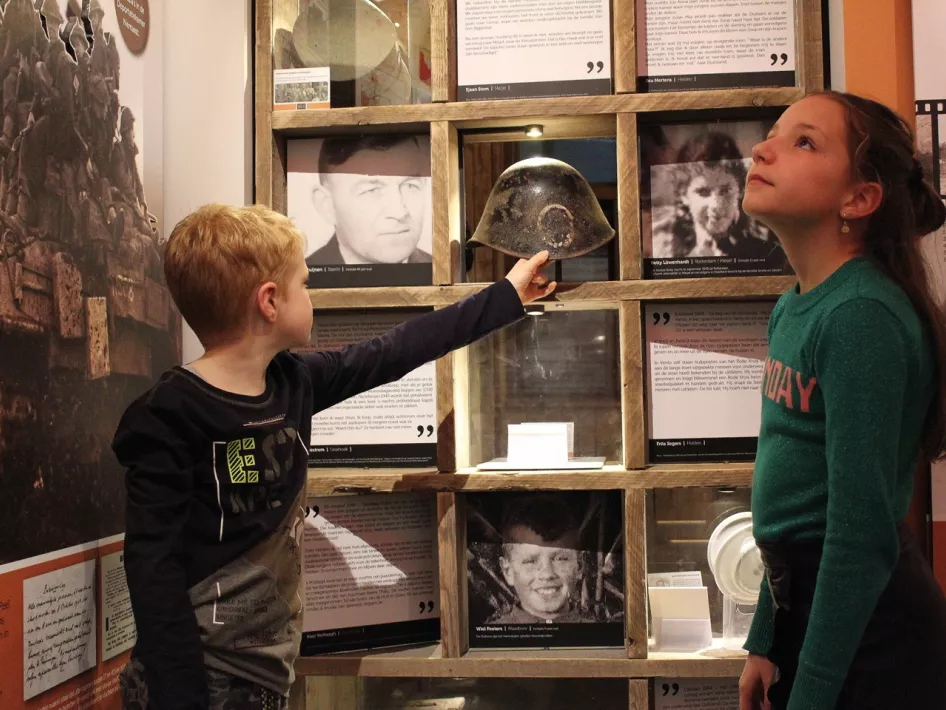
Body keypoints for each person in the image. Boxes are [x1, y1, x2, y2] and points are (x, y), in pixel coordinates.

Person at [111, 203, 556, 710]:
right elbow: (152, 569)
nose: (311, 296)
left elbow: (394, 351)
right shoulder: (170, 414)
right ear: (270, 302)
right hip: (199, 682)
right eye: (304, 284)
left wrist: (506, 296)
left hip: (260, 678)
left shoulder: (291, 383)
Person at [737, 90, 946, 710]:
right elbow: (795, 505)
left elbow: (857, 534)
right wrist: (765, 639)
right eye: (775, 132)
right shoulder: (796, 304)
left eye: (804, 141)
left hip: (874, 639)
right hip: (813, 611)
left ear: (859, 199)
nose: (762, 148)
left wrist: (815, 692)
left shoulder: (860, 316)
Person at [305, 134, 432, 266]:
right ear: (327, 206)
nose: (399, 213)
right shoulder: (296, 281)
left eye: (410, 186)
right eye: (372, 190)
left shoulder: (448, 271)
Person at [488, 493, 595, 624]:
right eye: (530, 561)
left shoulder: (601, 637)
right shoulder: (492, 639)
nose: (547, 574)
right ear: (508, 571)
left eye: (560, 559)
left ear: (579, 565)